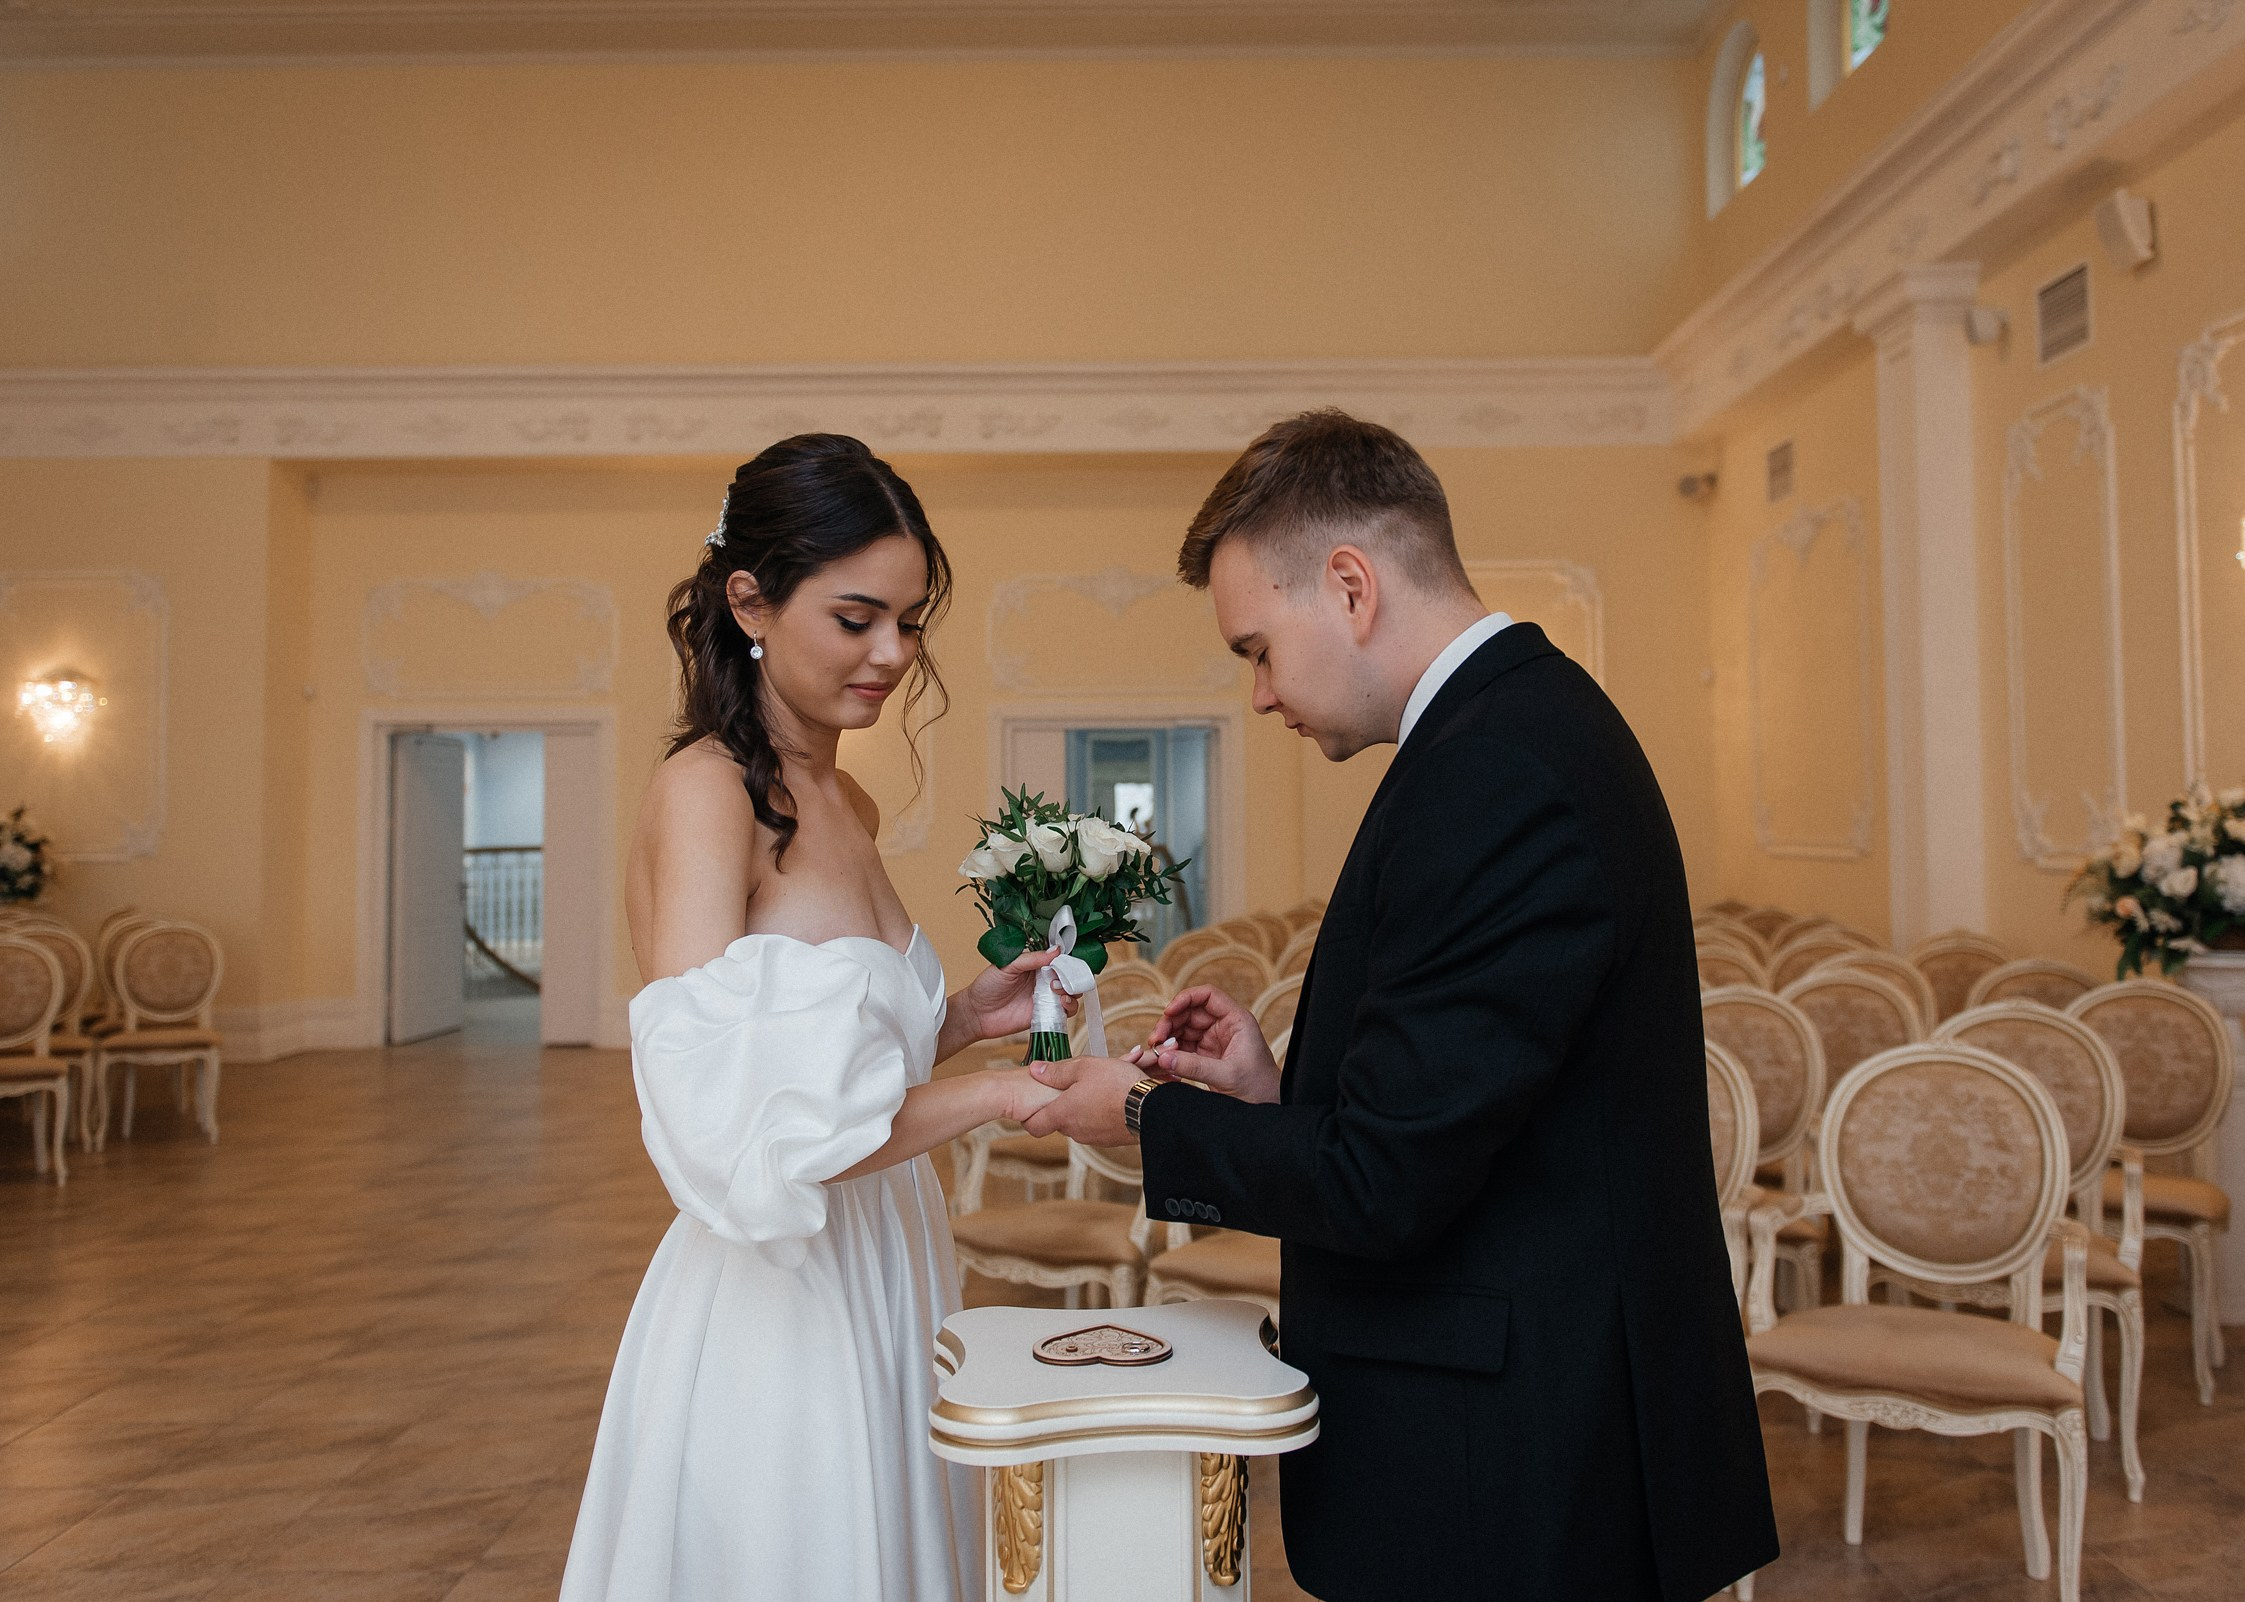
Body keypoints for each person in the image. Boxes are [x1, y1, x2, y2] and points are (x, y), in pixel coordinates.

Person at [1025, 411, 1778, 1601]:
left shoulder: (1494, 772)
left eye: (1259, 649)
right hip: (1515, 1417)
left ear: (1351, 586)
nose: (1260, 694)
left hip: (1513, 1455)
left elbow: (1385, 1183)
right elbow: (1464, 1113)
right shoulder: (1511, 731)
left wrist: (1141, 1114)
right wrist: (1275, 1096)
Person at [560, 434, 1062, 1602]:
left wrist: (960, 1019)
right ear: (750, 602)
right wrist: (996, 1096)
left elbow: (835, 1065)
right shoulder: (707, 793)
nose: (893, 654)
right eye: (856, 618)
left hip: (888, 1249)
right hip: (785, 1289)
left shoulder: (847, 797)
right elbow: (743, 1122)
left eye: (911, 621)